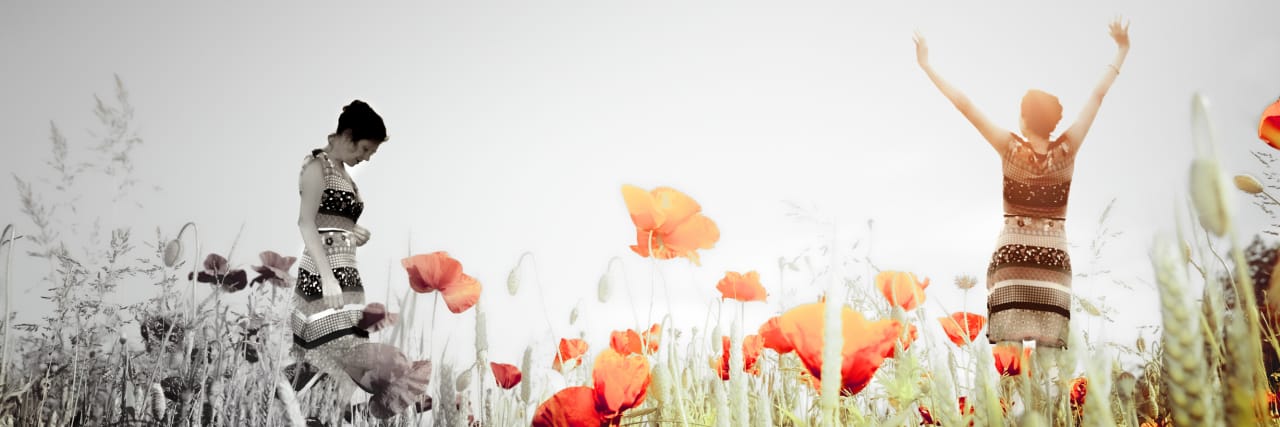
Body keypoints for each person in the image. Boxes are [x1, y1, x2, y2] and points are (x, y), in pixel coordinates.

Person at [913, 18, 1129, 350]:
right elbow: (1097, 97)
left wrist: (927, 66)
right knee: (1048, 369)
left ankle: (1009, 400)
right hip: (1053, 261)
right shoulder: (1067, 150)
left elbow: (965, 105)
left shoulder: (1011, 149)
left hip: (1013, 259)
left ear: (1024, 119)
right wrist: (1121, 50)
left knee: (1009, 364)